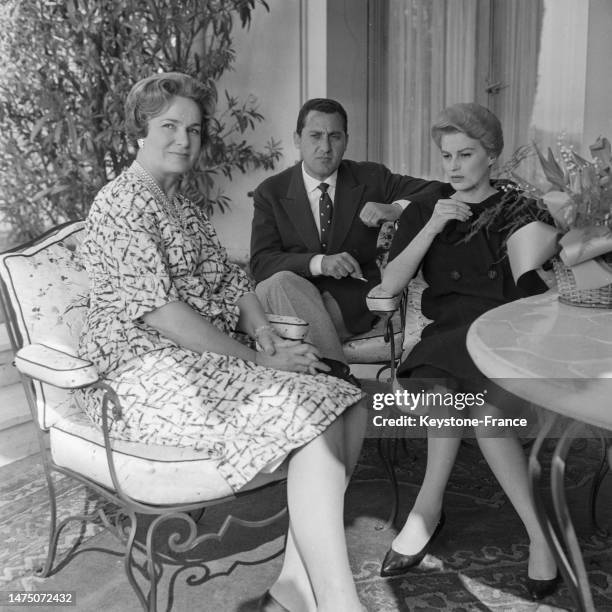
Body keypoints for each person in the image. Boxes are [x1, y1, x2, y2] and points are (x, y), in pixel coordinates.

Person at [77, 72, 368, 612]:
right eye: (169, 126)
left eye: (193, 128)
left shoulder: (184, 206)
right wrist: (263, 358)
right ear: (137, 133)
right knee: (313, 409)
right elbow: (163, 314)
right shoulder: (120, 203)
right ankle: (338, 602)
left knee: (348, 400)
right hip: (144, 373)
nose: (184, 140)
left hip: (208, 356)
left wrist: (263, 332)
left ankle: (296, 585)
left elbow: (236, 284)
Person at [379, 103, 559, 601]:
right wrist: (433, 225)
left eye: (466, 154)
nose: (453, 166)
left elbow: (542, 286)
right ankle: (434, 511)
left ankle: (442, 514)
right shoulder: (426, 207)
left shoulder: (521, 208)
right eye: (446, 156)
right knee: (443, 391)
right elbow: (389, 286)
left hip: (507, 337)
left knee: (484, 417)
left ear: (492, 155)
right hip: (446, 336)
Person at [250, 98, 441, 364]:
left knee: (288, 322)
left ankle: (328, 384)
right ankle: (340, 380)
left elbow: (436, 191)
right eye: (315, 136)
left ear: (346, 140)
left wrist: (395, 208)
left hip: (351, 299)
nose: (325, 147)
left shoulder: (370, 177)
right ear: (297, 139)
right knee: (278, 283)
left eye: (334, 137)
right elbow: (261, 262)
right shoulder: (271, 192)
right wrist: (320, 263)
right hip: (292, 290)